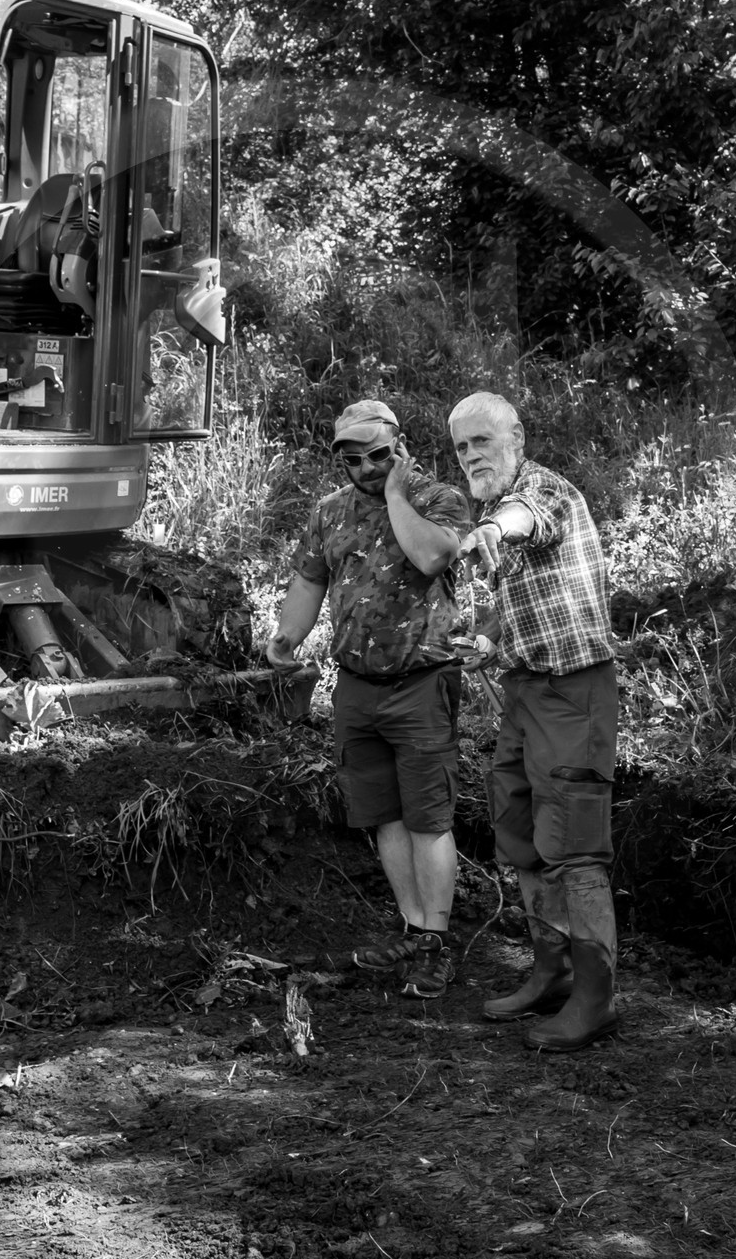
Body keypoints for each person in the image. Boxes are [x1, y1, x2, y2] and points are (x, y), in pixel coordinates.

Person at [266, 399, 471, 998]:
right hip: (356, 685)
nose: (366, 468)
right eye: (352, 460)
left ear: (400, 446)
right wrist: (287, 636)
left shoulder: (438, 499)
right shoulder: (330, 510)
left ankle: (436, 942)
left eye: (377, 455)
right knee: (384, 814)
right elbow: (310, 578)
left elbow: (432, 555)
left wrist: (398, 494)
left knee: (429, 818)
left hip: (422, 679)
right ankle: (412, 929)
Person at [449, 392, 621, 1053]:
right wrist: (487, 641)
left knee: (574, 846)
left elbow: (526, 519)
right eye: (461, 447)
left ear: (516, 438)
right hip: (524, 692)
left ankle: (596, 999)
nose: (471, 456)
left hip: (574, 692)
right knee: (520, 831)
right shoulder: (494, 509)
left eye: (481, 441)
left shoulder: (540, 491)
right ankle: (554, 972)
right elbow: (527, 602)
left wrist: (494, 530)